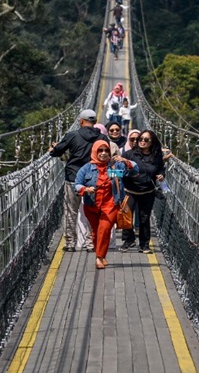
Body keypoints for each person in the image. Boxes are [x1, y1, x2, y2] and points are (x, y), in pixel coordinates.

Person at [48, 109, 104, 251]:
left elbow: (57, 152)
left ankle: (70, 244)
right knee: (92, 211)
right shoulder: (102, 138)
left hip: (73, 177)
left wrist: (53, 150)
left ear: (81, 121)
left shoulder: (72, 135)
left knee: (71, 211)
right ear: (95, 123)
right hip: (94, 180)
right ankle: (91, 244)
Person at [75, 140, 134, 269]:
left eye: (106, 151)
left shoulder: (112, 168)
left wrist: (125, 161)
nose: (103, 153)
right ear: (95, 152)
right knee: (96, 232)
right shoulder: (86, 169)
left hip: (111, 205)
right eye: (100, 150)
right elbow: (77, 183)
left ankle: (99, 257)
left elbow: (133, 170)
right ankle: (101, 255)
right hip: (92, 206)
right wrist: (85, 189)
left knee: (105, 229)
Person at [121, 129, 172, 253]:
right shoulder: (129, 154)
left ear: (152, 142)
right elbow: (118, 171)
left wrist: (161, 175)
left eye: (146, 140)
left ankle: (144, 244)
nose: (142, 141)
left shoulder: (156, 156)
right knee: (125, 215)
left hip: (147, 192)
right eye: (140, 139)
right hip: (130, 190)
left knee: (144, 218)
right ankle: (129, 240)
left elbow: (160, 169)